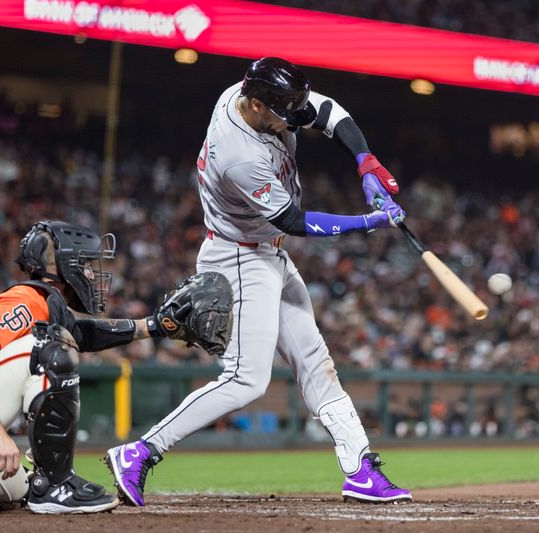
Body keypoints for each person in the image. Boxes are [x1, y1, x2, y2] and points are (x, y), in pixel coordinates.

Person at [105, 57, 412, 505]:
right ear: (254, 105)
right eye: (282, 112)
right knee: (246, 380)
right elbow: (292, 219)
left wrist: (365, 161)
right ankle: (140, 452)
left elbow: (328, 114)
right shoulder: (239, 153)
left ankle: (360, 469)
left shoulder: (260, 98)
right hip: (239, 258)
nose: (292, 118)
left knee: (315, 363)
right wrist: (367, 221)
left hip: (268, 254)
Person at [0, 220, 233, 513]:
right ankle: (56, 484)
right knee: (53, 346)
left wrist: (153, 326)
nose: (93, 274)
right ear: (63, 266)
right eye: (87, 265)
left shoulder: (44, 305)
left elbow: (84, 333)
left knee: (16, 491)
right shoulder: (27, 298)